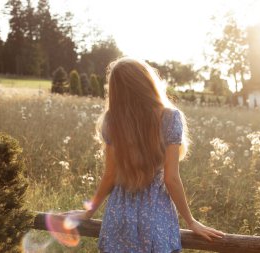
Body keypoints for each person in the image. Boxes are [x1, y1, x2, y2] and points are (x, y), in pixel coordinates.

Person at [79, 57, 224, 252]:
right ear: (146, 81)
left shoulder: (111, 120)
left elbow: (110, 176)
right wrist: (191, 222)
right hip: (156, 218)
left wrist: (87, 213)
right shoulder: (170, 118)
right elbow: (171, 178)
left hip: (118, 217)